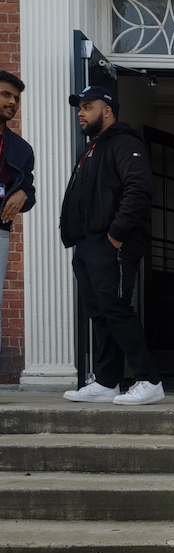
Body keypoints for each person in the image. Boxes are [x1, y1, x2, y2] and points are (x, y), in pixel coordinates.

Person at [60, 87, 164, 405]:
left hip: (112, 243)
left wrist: (115, 234)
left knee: (116, 310)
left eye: (87, 107)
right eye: (79, 107)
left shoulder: (124, 143)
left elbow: (138, 188)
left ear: (106, 111)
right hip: (88, 244)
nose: (80, 112)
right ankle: (107, 381)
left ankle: (149, 380)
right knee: (100, 313)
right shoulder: (92, 149)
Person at [0, 71, 35, 355]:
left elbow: (28, 187)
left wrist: (23, 193)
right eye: (5, 95)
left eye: (16, 98)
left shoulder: (21, 149)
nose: (12, 102)